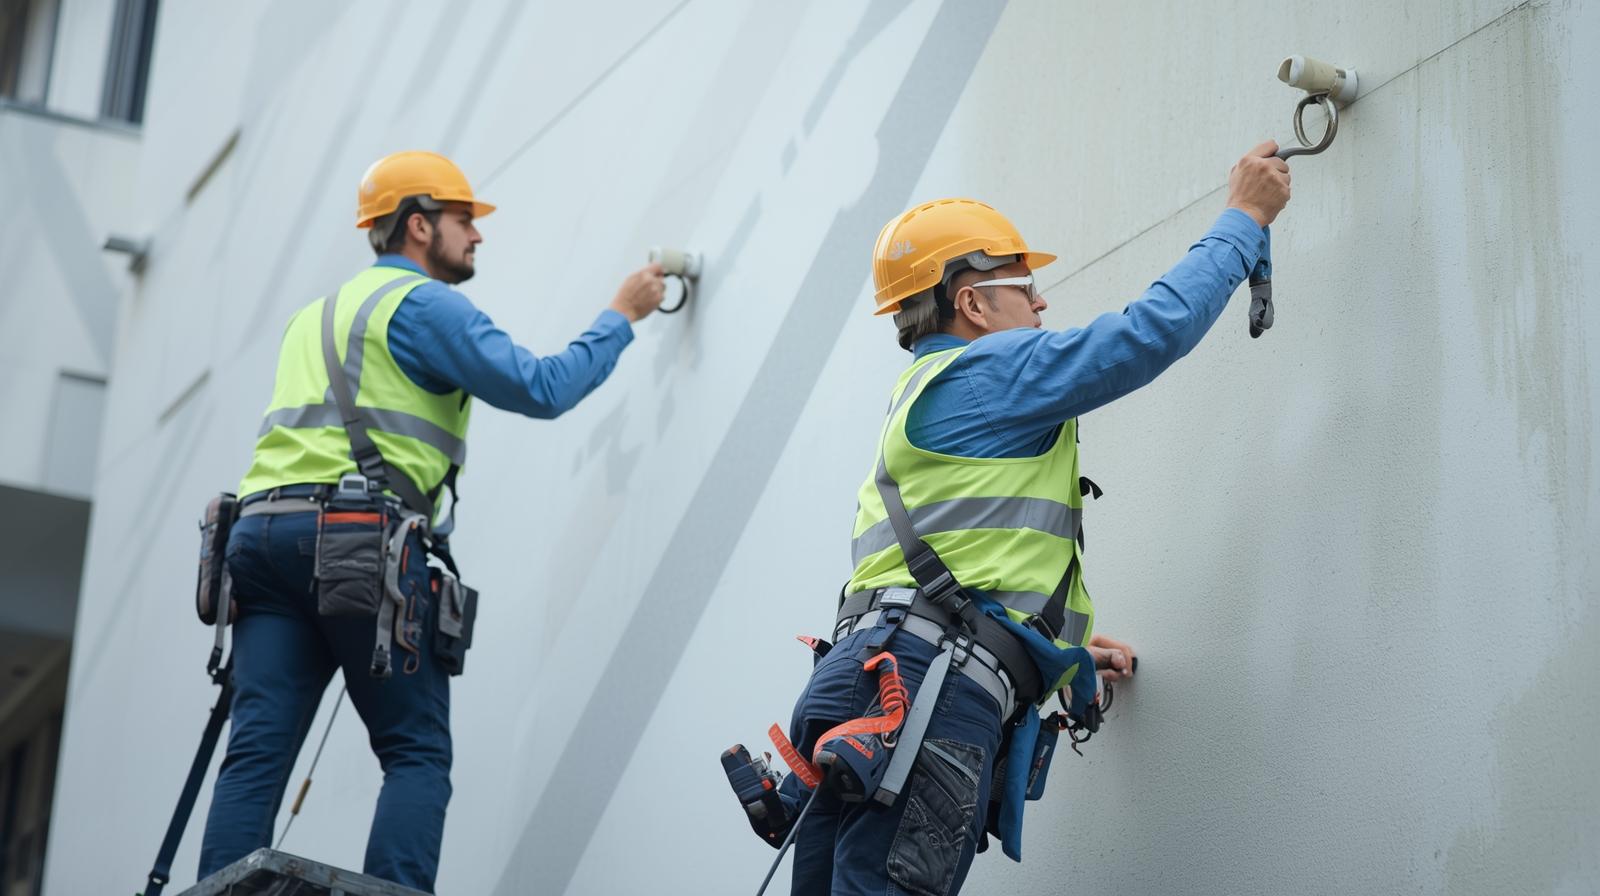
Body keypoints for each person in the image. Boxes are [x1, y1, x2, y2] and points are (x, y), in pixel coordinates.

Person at [737, 141, 1291, 894]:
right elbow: (1145, 335)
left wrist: (1050, 649)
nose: (1041, 305)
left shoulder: (923, 395)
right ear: (971, 303)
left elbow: (950, 568)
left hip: (873, 679)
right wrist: (1244, 216)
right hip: (921, 690)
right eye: (1025, 287)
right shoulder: (984, 373)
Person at [196, 150, 665, 891]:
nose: (477, 237)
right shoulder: (424, 306)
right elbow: (542, 387)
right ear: (419, 226)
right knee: (415, 751)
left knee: (257, 752)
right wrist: (622, 315)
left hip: (257, 538)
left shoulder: (313, 318)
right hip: (354, 541)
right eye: (463, 221)